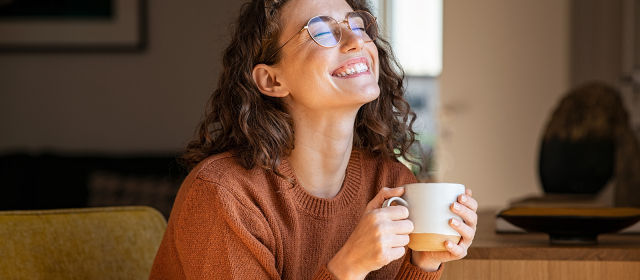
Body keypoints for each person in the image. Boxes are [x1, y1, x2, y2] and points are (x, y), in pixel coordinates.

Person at [149, 0, 478, 279]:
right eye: (321, 30)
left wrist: (425, 262)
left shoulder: (390, 182)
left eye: (359, 25)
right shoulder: (225, 196)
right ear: (272, 80)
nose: (355, 40)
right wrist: (348, 267)